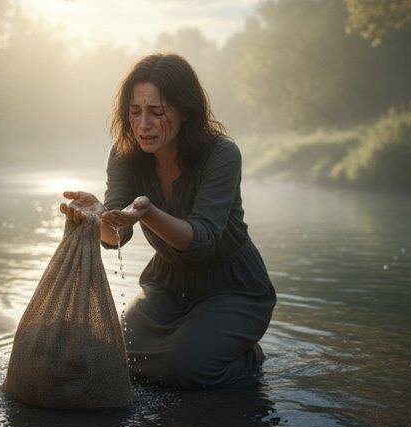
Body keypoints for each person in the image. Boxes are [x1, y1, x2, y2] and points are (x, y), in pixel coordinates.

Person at [59, 53, 276, 389]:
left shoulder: (221, 155)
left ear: (185, 111)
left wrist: (149, 212)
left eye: (156, 113)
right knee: (118, 357)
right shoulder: (125, 154)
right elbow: (115, 234)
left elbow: (202, 240)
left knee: (186, 371)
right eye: (135, 112)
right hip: (167, 284)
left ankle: (248, 356)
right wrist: (96, 217)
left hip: (232, 287)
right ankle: (204, 343)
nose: (143, 125)